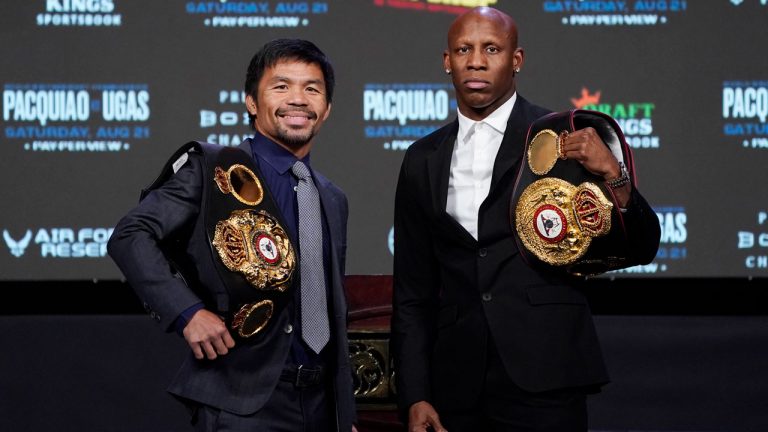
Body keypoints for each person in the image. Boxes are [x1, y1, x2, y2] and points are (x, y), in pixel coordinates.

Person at [391, 7, 660, 432]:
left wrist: (615, 176)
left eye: (491, 49)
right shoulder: (421, 158)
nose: (476, 61)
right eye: (464, 49)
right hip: (456, 383)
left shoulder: (563, 136)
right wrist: (417, 393)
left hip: (546, 372)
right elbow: (412, 291)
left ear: (516, 60)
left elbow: (641, 247)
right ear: (447, 61)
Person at [108, 39, 356, 432]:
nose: (298, 99)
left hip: (323, 407)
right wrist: (187, 312)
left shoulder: (332, 197)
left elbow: (329, 307)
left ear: (326, 109)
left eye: (312, 88)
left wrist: (345, 414)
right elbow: (130, 234)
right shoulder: (213, 169)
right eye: (281, 86)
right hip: (244, 404)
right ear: (251, 103)